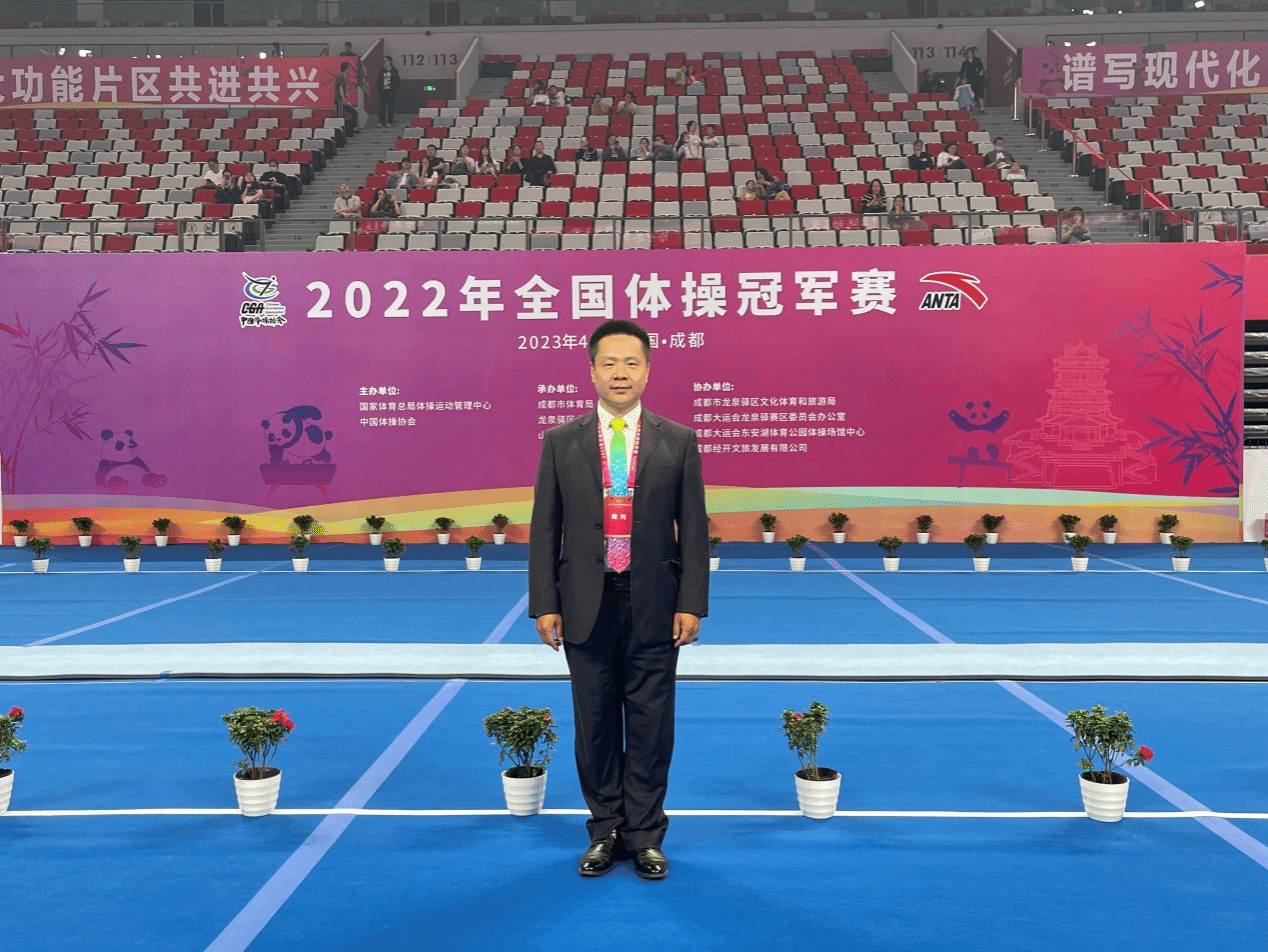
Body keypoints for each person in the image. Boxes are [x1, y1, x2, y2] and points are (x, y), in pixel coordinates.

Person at [529, 319, 708, 883]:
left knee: (652, 723)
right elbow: (545, 529)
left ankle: (646, 835)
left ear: (648, 370)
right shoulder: (561, 442)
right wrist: (545, 603)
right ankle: (605, 829)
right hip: (586, 601)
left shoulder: (677, 440)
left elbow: (694, 528)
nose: (620, 373)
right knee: (596, 721)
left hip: (655, 601)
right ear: (592, 371)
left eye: (632, 362)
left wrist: (692, 602)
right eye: (609, 363)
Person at [376, 56, 400, 127]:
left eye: (386, 61)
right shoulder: (382, 71)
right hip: (383, 91)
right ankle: (382, 121)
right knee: (382, 107)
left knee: (390, 108)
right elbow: (379, 81)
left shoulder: (395, 71)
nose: (384, 62)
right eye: (384, 61)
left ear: (390, 62)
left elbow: (397, 82)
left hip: (391, 91)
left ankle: (390, 122)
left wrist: (394, 91)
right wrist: (379, 90)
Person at [335, 62, 356, 136]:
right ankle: (339, 133)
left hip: (342, 100)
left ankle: (350, 130)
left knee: (353, 113)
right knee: (340, 116)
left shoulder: (344, 78)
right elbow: (340, 89)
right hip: (340, 100)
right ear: (346, 69)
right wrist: (344, 100)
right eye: (349, 68)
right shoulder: (341, 77)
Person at [964, 47, 987, 113]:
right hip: (970, 80)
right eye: (968, 52)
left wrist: (980, 73)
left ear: (973, 53)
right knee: (971, 94)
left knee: (980, 93)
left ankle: (982, 108)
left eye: (970, 52)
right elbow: (962, 72)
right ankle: (970, 107)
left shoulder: (977, 60)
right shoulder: (965, 63)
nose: (969, 54)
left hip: (978, 79)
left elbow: (981, 68)